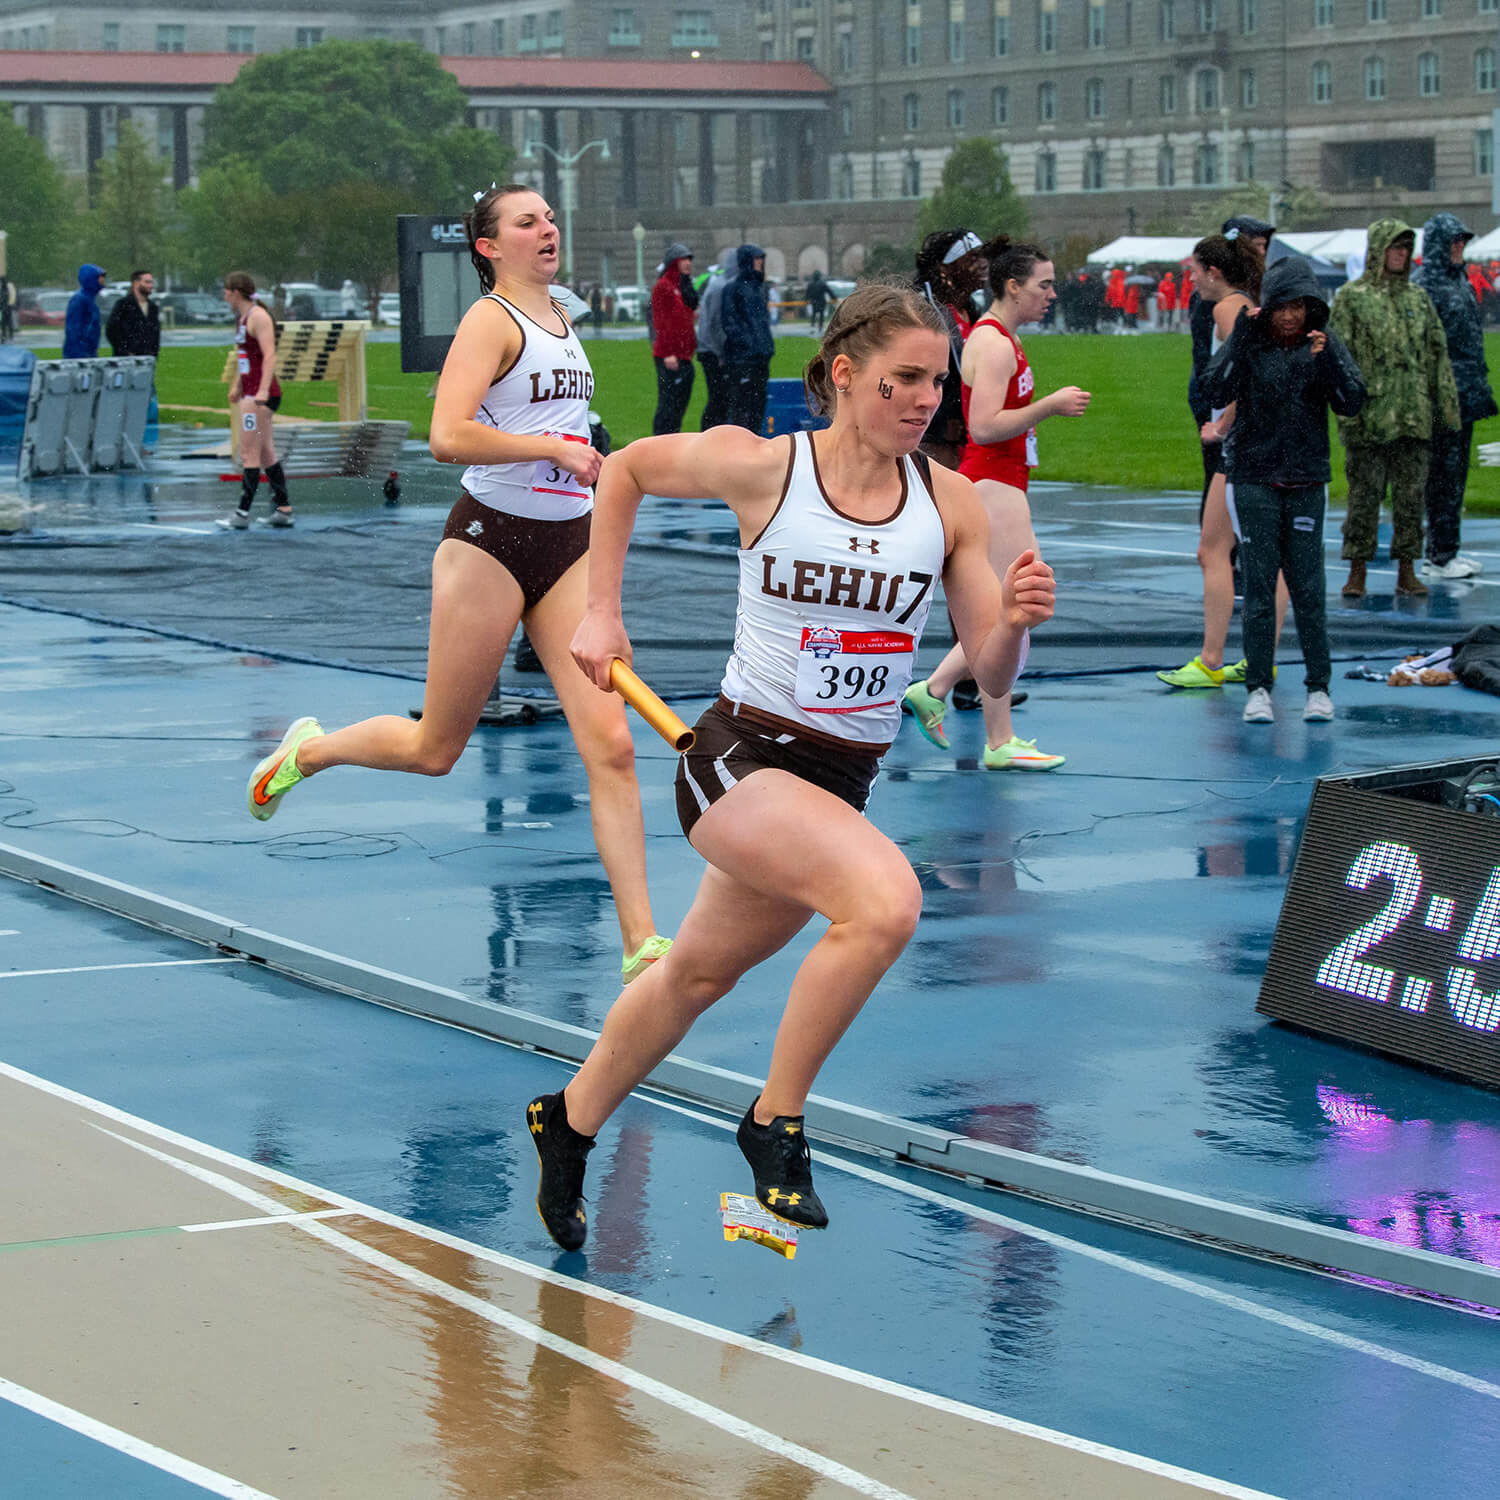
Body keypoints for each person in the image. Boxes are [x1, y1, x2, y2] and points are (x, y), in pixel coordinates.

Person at [527, 281, 1056, 1249]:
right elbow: (624, 473)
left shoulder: (952, 505)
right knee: (886, 902)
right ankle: (775, 1118)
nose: (924, 399)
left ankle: (567, 1120)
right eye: (902, 379)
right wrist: (599, 610)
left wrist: (1015, 625)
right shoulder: (766, 468)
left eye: (936, 382)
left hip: (838, 783)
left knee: (692, 977)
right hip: (736, 758)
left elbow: (985, 669)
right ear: (845, 374)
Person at [242, 184, 669, 985]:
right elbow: (447, 435)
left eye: (548, 218)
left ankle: (642, 941)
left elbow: (556, 426)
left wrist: (581, 450)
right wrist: (548, 445)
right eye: (526, 222)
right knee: (437, 750)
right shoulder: (491, 320)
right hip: (490, 544)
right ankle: (312, 750)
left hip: (567, 544)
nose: (547, 229)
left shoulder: (563, 319)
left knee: (610, 745)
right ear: (488, 246)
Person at [903, 241, 1087, 771]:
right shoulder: (995, 342)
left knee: (1011, 612)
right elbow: (983, 425)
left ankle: (942, 693)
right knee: (1015, 609)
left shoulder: (998, 337)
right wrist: (1049, 406)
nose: (1051, 295)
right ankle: (991, 733)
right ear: (1013, 287)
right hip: (993, 483)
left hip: (1002, 482)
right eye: (1043, 285)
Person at [1202, 255, 1366, 725]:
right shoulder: (1251, 344)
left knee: (1308, 586)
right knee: (1257, 585)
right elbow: (1212, 387)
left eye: (1300, 306)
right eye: (1282, 307)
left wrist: (1329, 356)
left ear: (1312, 307)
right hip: (1254, 477)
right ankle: (1259, 687)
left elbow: (1352, 400)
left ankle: (1319, 686)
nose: (1291, 316)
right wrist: (1241, 336)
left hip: (1307, 479)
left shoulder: (1322, 345)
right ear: (1268, 307)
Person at [1158, 232, 1277, 690]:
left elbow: (1249, 375)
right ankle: (1253, 657)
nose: (1190, 279)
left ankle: (1214, 659)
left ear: (1214, 271)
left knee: (1215, 552)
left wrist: (1222, 425)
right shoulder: (1243, 304)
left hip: (1240, 448)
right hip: (1250, 445)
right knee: (1257, 555)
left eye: (1194, 271)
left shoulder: (1229, 309)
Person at [1329, 218, 1461, 599]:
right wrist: (1347, 413)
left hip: (1413, 415)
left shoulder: (1418, 299)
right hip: (1369, 417)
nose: (1400, 254)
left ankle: (1407, 568)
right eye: (1394, 247)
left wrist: (1445, 410)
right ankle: (1357, 569)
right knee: (1363, 499)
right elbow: (1340, 358)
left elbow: (1437, 355)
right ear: (1377, 250)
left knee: (1410, 499)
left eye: (1406, 248)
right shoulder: (1353, 297)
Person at [1413, 212, 1499, 580]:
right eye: (1453, 241)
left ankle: (1448, 550)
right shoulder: (1426, 286)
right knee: (1442, 476)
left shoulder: (1459, 281)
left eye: (1462, 241)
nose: (1459, 247)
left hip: (1464, 393)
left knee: (1456, 474)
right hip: (1440, 397)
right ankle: (1439, 555)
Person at [220, 272, 292, 529]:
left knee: (249, 451)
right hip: (250, 392)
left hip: (260, 397)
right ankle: (283, 508)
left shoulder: (258, 317)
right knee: (265, 451)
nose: (224, 296)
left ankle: (241, 513)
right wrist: (238, 384)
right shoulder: (243, 319)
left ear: (236, 292)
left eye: (226, 291)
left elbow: (269, 354)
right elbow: (246, 357)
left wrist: (260, 392)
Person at [914, 228, 990, 471]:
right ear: (944, 267)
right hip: (933, 439)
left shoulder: (972, 309)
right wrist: (939, 424)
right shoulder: (921, 308)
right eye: (973, 258)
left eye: (982, 257)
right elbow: (912, 373)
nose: (983, 265)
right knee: (938, 500)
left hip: (968, 435)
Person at [720, 243, 774, 433]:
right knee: (742, 405)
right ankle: (740, 447)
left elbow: (761, 321)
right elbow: (729, 321)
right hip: (742, 358)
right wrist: (746, 344)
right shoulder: (733, 289)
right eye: (756, 259)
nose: (760, 263)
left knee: (758, 404)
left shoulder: (760, 288)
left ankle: (754, 441)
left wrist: (765, 346)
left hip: (760, 356)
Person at [649, 241, 698, 435]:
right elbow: (661, 321)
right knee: (668, 405)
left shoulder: (681, 287)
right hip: (669, 356)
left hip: (683, 355)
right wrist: (669, 352)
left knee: (679, 406)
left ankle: (671, 440)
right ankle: (660, 442)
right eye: (683, 259)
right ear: (674, 262)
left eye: (689, 259)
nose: (688, 263)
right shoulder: (664, 287)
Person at [695, 262, 731, 429]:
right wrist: (720, 353)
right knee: (718, 398)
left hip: (707, 349)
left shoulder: (715, 284)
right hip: (711, 351)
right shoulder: (720, 286)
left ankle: (710, 433)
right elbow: (715, 322)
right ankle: (709, 433)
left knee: (718, 397)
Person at [104, 269, 161, 359]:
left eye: (151, 282)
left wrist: (154, 354)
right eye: (147, 282)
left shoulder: (153, 308)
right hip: (126, 360)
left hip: (147, 359)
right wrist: (125, 352)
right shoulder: (123, 305)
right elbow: (111, 330)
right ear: (136, 283)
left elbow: (155, 334)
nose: (151, 286)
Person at [63, 263, 106, 359]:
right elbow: (72, 329)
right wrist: (80, 353)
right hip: (79, 354)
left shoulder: (90, 299)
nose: (103, 280)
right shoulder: (79, 299)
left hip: (88, 352)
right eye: (100, 277)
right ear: (91, 279)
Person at [804, 268, 829, 332]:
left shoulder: (810, 284)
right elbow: (829, 291)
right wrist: (834, 298)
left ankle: (813, 325)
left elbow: (807, 293)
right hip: (821, 301)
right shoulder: (822, 283)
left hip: (814, 301)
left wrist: (806, 300)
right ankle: (820, 326)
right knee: (821, 314)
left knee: (814, 313)